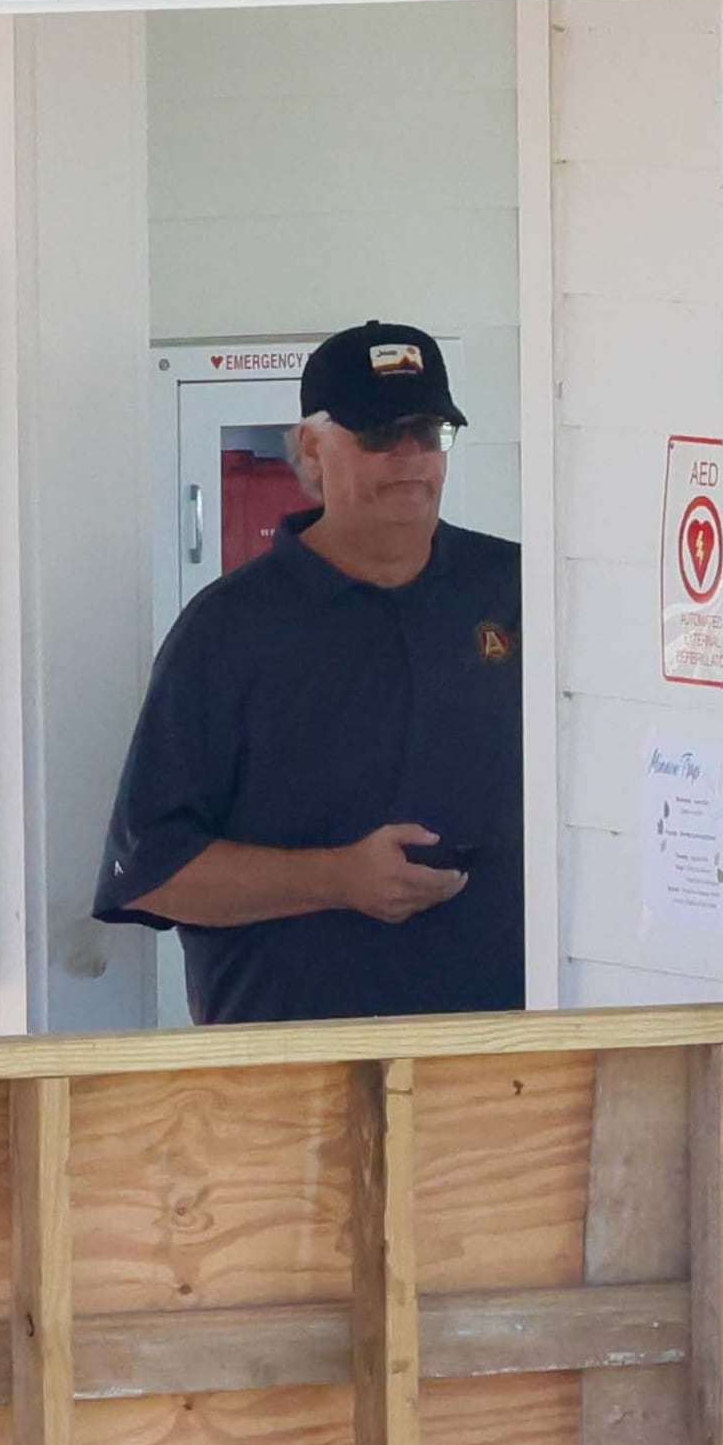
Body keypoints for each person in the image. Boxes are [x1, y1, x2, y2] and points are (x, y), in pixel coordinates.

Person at [94, 318, 524, 1023]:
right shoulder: (227, 630)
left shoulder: (517, 588)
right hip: (289, 1080)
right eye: (379, 434)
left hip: (503, 1068)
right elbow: (149, 874)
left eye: (430, 431)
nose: (410, 457)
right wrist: (339, 879)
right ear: (310, 451)